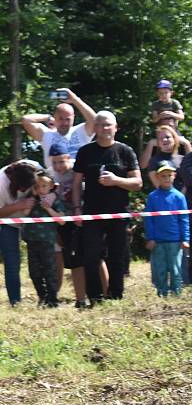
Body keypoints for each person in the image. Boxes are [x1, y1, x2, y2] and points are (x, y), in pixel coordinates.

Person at [72, 111, 142, 305]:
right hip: (91, 213)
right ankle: (95, 298)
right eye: (100, 125)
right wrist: (77, 208)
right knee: (91, 257)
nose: (104, 128)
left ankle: (116, 296)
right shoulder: (85, 151)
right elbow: (76, 183)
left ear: (116, 128)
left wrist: (116, 181)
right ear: (94, 128)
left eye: (108, 125)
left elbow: (138, 183)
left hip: (119, 212)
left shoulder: (125, 151)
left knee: (117, 257)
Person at [0, 159, 42, 306]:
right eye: (21, 188)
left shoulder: (35, 167)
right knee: (12, 262)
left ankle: (46, 298)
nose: (23, 191)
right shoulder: (0, 183)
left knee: (40, 260)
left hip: (32, 220)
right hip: (7, 223)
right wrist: (18, 205)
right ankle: (15, 301)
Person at [48, 141, 88, 308]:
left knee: (95, 258)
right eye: (54, 162)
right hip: (65, 224)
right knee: (73, 261)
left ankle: (103, 295)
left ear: (68, 158)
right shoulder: (51, 176)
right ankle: (80, 299)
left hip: (83, 219)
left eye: (61, 161)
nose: (58, 166)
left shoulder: (78, 172)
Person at [22, 171, 66, 307]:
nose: (41, 189)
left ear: (51, 186)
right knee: (34, 272)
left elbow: (62, 221)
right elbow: (25, 213)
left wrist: (49, 209)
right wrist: (29, 204)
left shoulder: (55, 200)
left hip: (47, 241)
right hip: (31, 239)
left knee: (49, 270)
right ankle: (42, 296)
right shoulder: (31, 199)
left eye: (44, 186)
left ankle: (53, 299)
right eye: (38, 186)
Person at [144, 161, 189, 296]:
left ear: (174, 176)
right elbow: (149, 219)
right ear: (158, 177)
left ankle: (177, 293)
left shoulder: (179, 197)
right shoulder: (152, 197)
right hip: (158, 241)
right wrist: (150, 238)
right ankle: (162, 292)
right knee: (160, 270)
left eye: (169, 175)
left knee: (176, 269)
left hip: (175, 240)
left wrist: (185, 238)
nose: (166, 178)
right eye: (163, 176)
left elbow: (184, 219)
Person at [21, 88, 96, 168]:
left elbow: (95, 121)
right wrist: (48, 117)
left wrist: (75, 99)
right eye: (61, 118)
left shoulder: (81, 131)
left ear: (73, 118)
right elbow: (26, 120)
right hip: (54, 178)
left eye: (68, 119)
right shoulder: (46, 135)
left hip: (79, 176)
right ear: (55, 117)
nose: (64, 123)